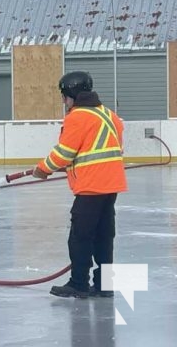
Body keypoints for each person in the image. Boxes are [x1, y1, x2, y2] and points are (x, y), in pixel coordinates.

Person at [32, 71, 127, 298]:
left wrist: (43, 169)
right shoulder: (109, 115)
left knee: (80, 237)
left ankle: (79, 283)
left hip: (91, 186)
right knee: (104, 237)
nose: (64, 102)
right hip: (110, 185)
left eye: (64, 97)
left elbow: (64, 153)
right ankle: (105, 286)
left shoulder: (77, 117)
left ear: (72, 94)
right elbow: (108, 149)